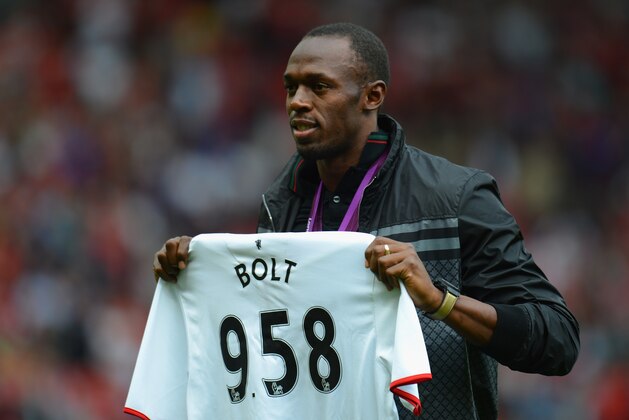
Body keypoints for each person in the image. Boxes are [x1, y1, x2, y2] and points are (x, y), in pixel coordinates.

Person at [153, 22, 579, 420]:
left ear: (372, 97)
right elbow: (269, 351)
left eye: (319, 87)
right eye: (291, 87)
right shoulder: (279, 208)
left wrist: (439, 301)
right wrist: (201, 281)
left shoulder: (456, 199)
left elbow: (557, 340)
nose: (298, 101)